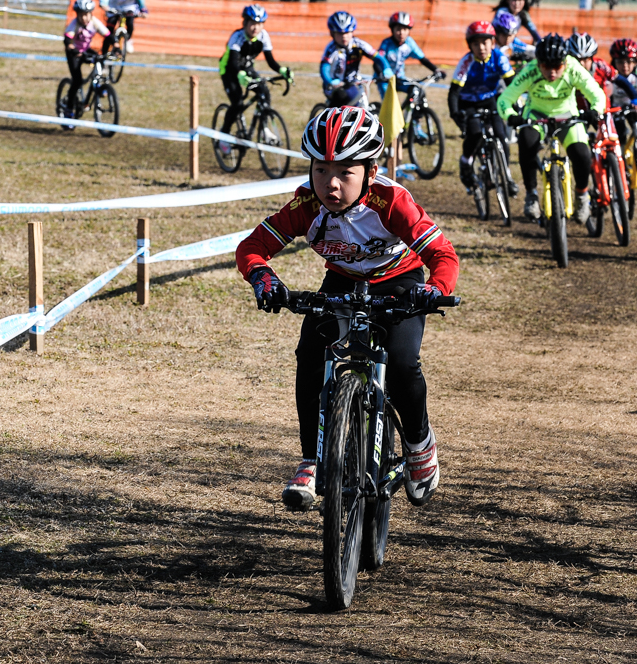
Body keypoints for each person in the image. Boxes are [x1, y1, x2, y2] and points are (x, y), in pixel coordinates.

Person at [235, 106, 460, 510]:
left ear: (370, 173)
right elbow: (252, 247)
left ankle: (418, 442)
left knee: (404, 362)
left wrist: (434, 289)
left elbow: (443, 255)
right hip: (341, 280)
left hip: (400, 282)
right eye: (321, 170)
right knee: (309, 355)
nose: (330, 184)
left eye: (344, 172)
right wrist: (262, 277)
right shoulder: (306, 206)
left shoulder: (391, 202)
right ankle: (312, 459)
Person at [497, 33, 605, 223]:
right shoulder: (531, 70)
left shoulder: (573, 67)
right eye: (546, 66)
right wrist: (511, 116)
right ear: (539, 63)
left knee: (582, 154)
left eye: (557, 66)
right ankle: (531, 194)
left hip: (568, 116)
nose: (552, 72)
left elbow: (596, 93)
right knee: (526, 142)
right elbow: (505, 99)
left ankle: (582, 196)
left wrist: (595, 110)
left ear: (565, 62)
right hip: (537, 117)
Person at [448, 21, 518, 198]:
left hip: (490, 100)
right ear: (470, 45)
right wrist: (456, 114)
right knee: (475, 134)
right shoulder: (466, 62)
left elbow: (512, 84)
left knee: (502, 137)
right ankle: (466, 162)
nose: (481, 47)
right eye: (476, 43)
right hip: (468, 103)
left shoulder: (499, 57)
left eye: (485, 42)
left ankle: (507, 176)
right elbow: (454, 92)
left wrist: (516, 103)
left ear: (492, 43)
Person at [216, 5, 293, 155]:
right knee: (237, 103)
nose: (255, 28)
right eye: (252, 23)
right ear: (244, 23)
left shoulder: (263, 36)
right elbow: (233, 61)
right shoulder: (237, 36)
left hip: (247, 68)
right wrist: (240, 75)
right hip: (230, 70)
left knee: (264, 91)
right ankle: (222, 137)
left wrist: (281, 70)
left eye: (259, 24)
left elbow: (270, 60)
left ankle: (264, 128)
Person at [320, 11, 392, 108]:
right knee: (349, 98)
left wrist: (386, 69)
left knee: (360, 101)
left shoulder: (359, 44)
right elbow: (324, 68)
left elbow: (378, 57)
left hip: (354, 83)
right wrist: (330, 81)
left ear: (352, 31)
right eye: (339, 33)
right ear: (332, 33)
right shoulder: (331, 49)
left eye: (347, 32)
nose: (344, 36)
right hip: (334, 85)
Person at [566, 32, 637, 114]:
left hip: (602, 109)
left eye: (585, 59)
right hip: (578, 111)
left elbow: (622, 81)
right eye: (577, 59)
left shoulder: (601, 66)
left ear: (591, 57)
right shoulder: (566, 70)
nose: (581, 64)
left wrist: (635, 98)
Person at [375, 12, 444, 99]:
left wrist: (436, 70)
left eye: (405, 29)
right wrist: (381, 75)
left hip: (400, 78)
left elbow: (422, 59)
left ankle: (410, 112)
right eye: (398, 29)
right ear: (392, 29)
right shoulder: (386, 44)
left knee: (417, 92)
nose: (401, 33)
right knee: (390, 102)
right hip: (385, 80)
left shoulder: (409, 43)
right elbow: (377, 62)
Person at [62, 0, 109, 118]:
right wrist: (71, 47)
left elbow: (108, 35)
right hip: (74, 53)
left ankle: (100, 87)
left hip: (86, 50)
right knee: (77, 81)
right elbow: (67, 39)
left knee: (100, 60)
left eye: (86, 14)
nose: (84, 17)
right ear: (77, 14)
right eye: (81, 14)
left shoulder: (94, 22)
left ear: (91, 13)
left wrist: (117, 47)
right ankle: (68, 107)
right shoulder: (74, 24)